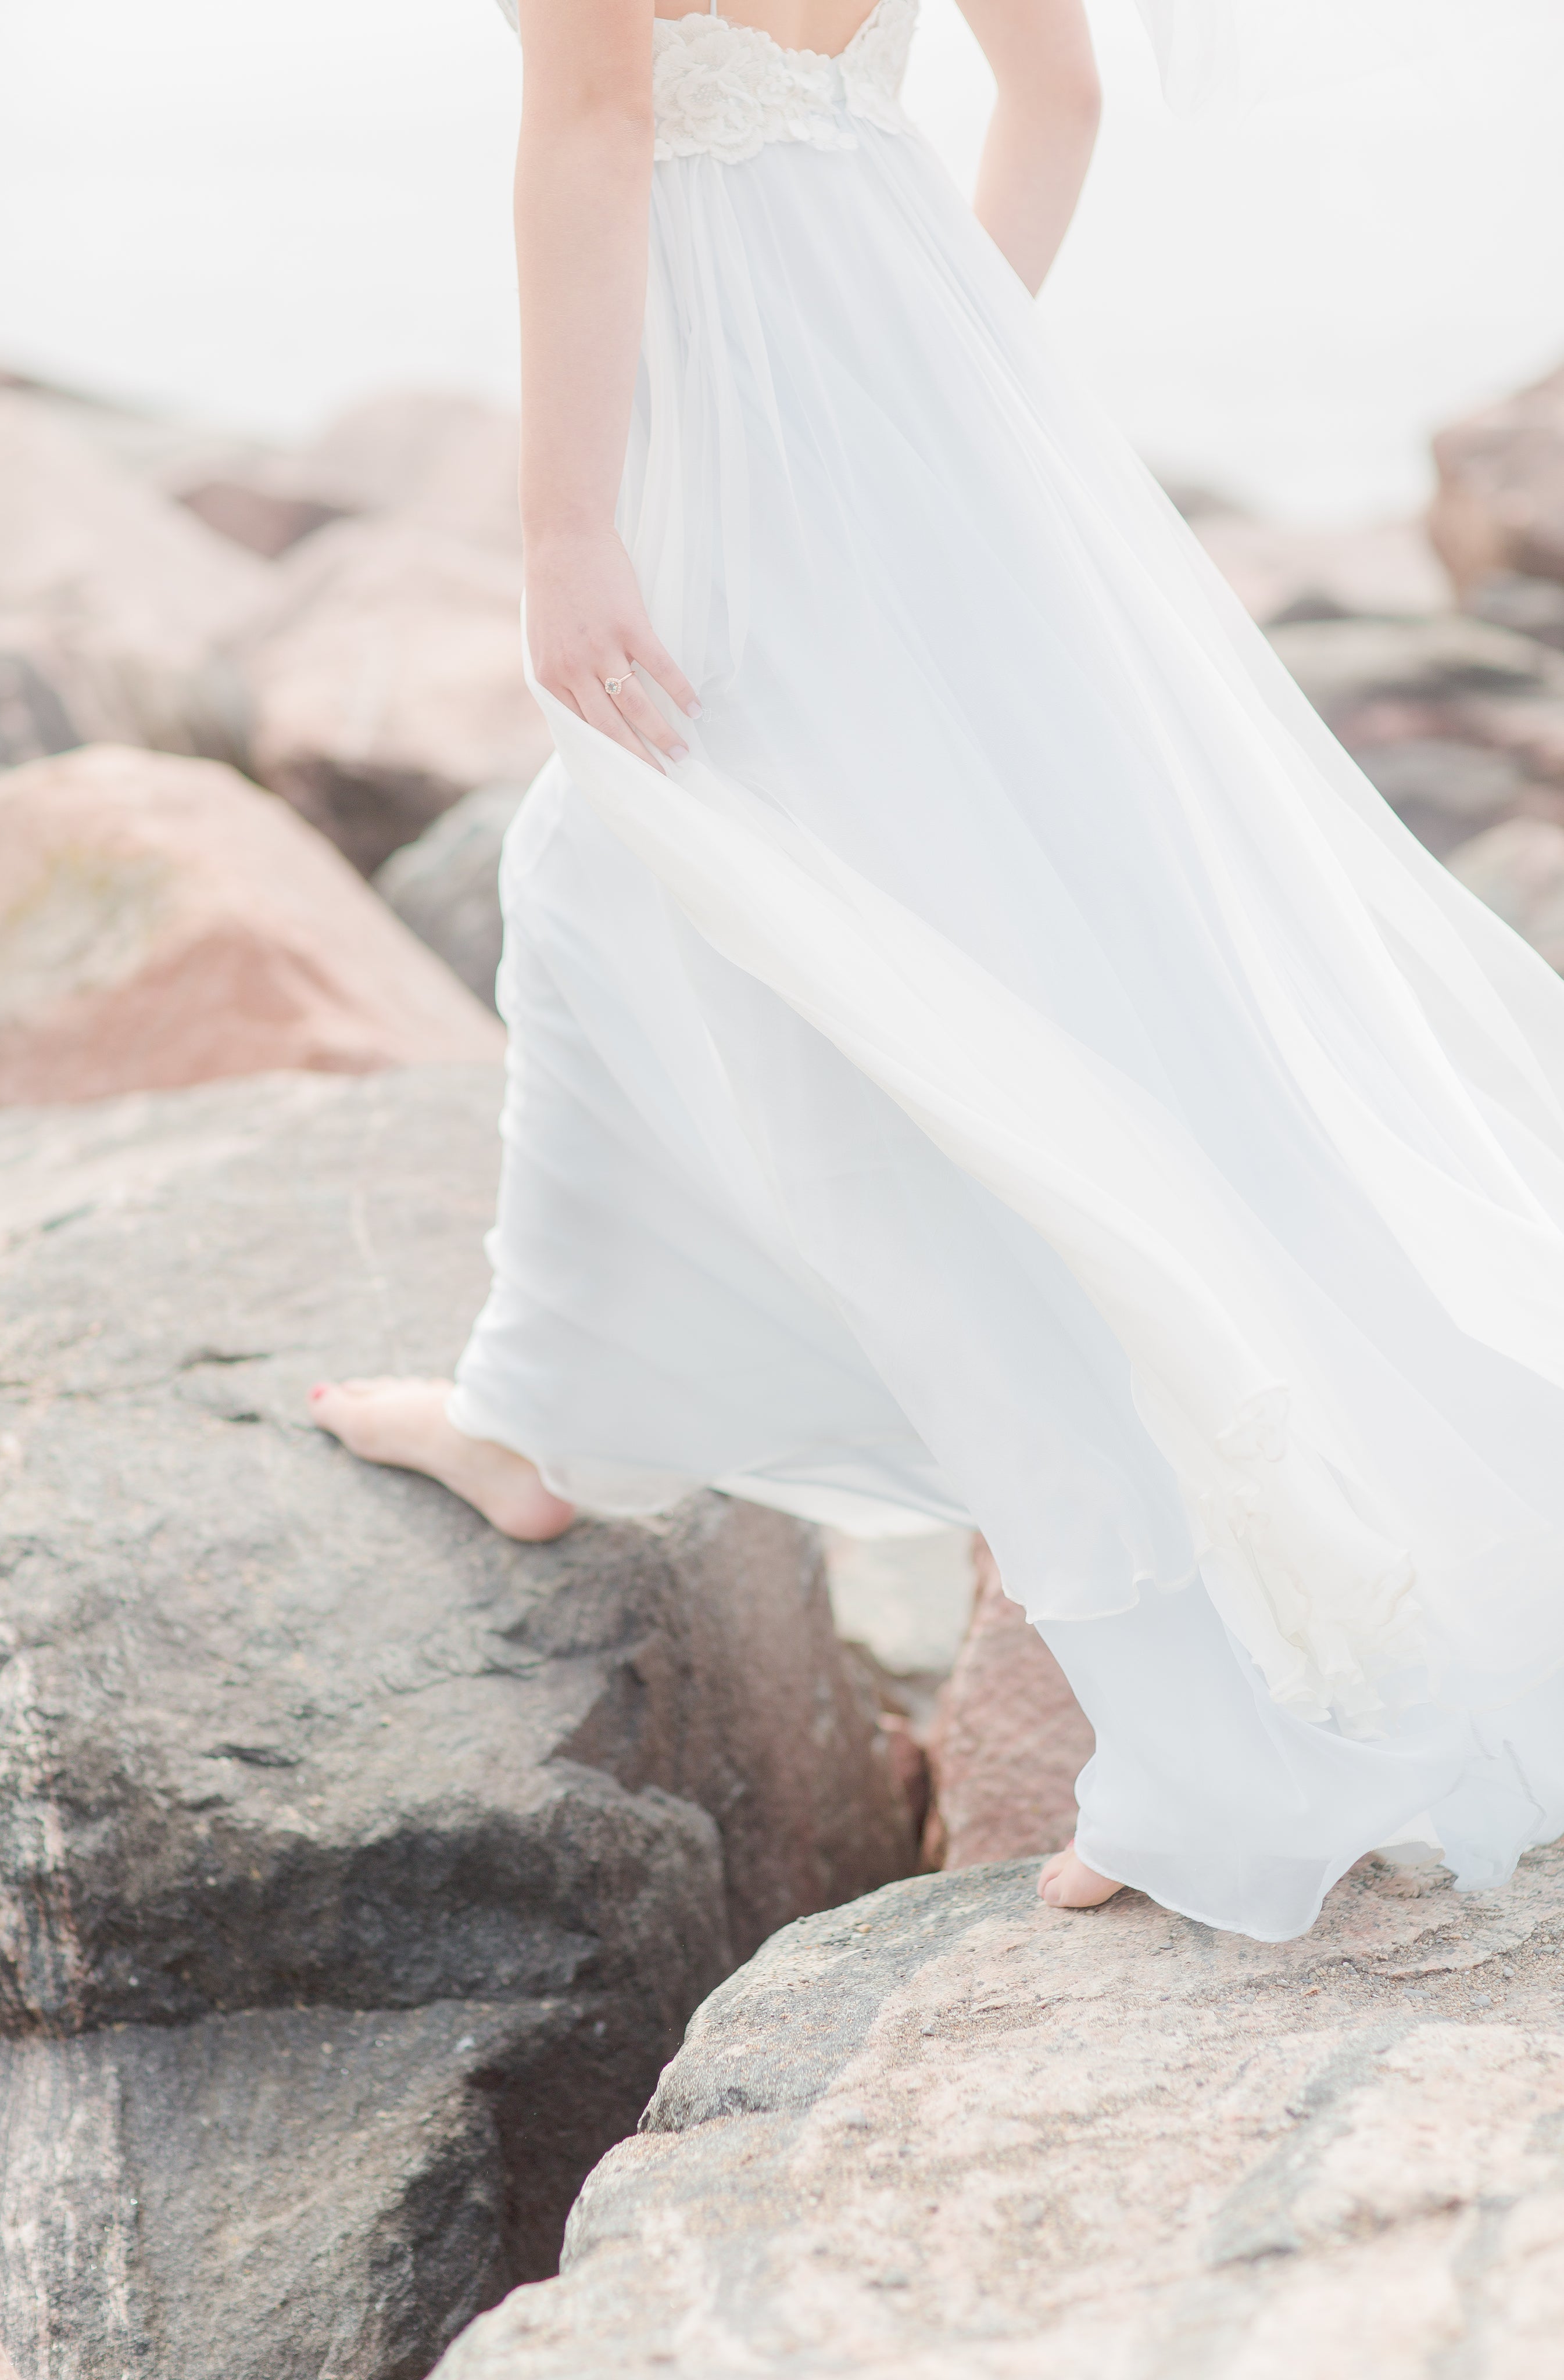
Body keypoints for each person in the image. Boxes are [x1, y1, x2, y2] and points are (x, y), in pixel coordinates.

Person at [313, 0, 1564, 1942]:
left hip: (732, 396)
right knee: (608, 878)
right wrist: (923, 360)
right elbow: (1053, 92)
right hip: (918, 371)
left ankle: (1206, 1757)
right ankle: (535, 1405)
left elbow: (590, 130)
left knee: (854, 1040)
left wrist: (563, 530)